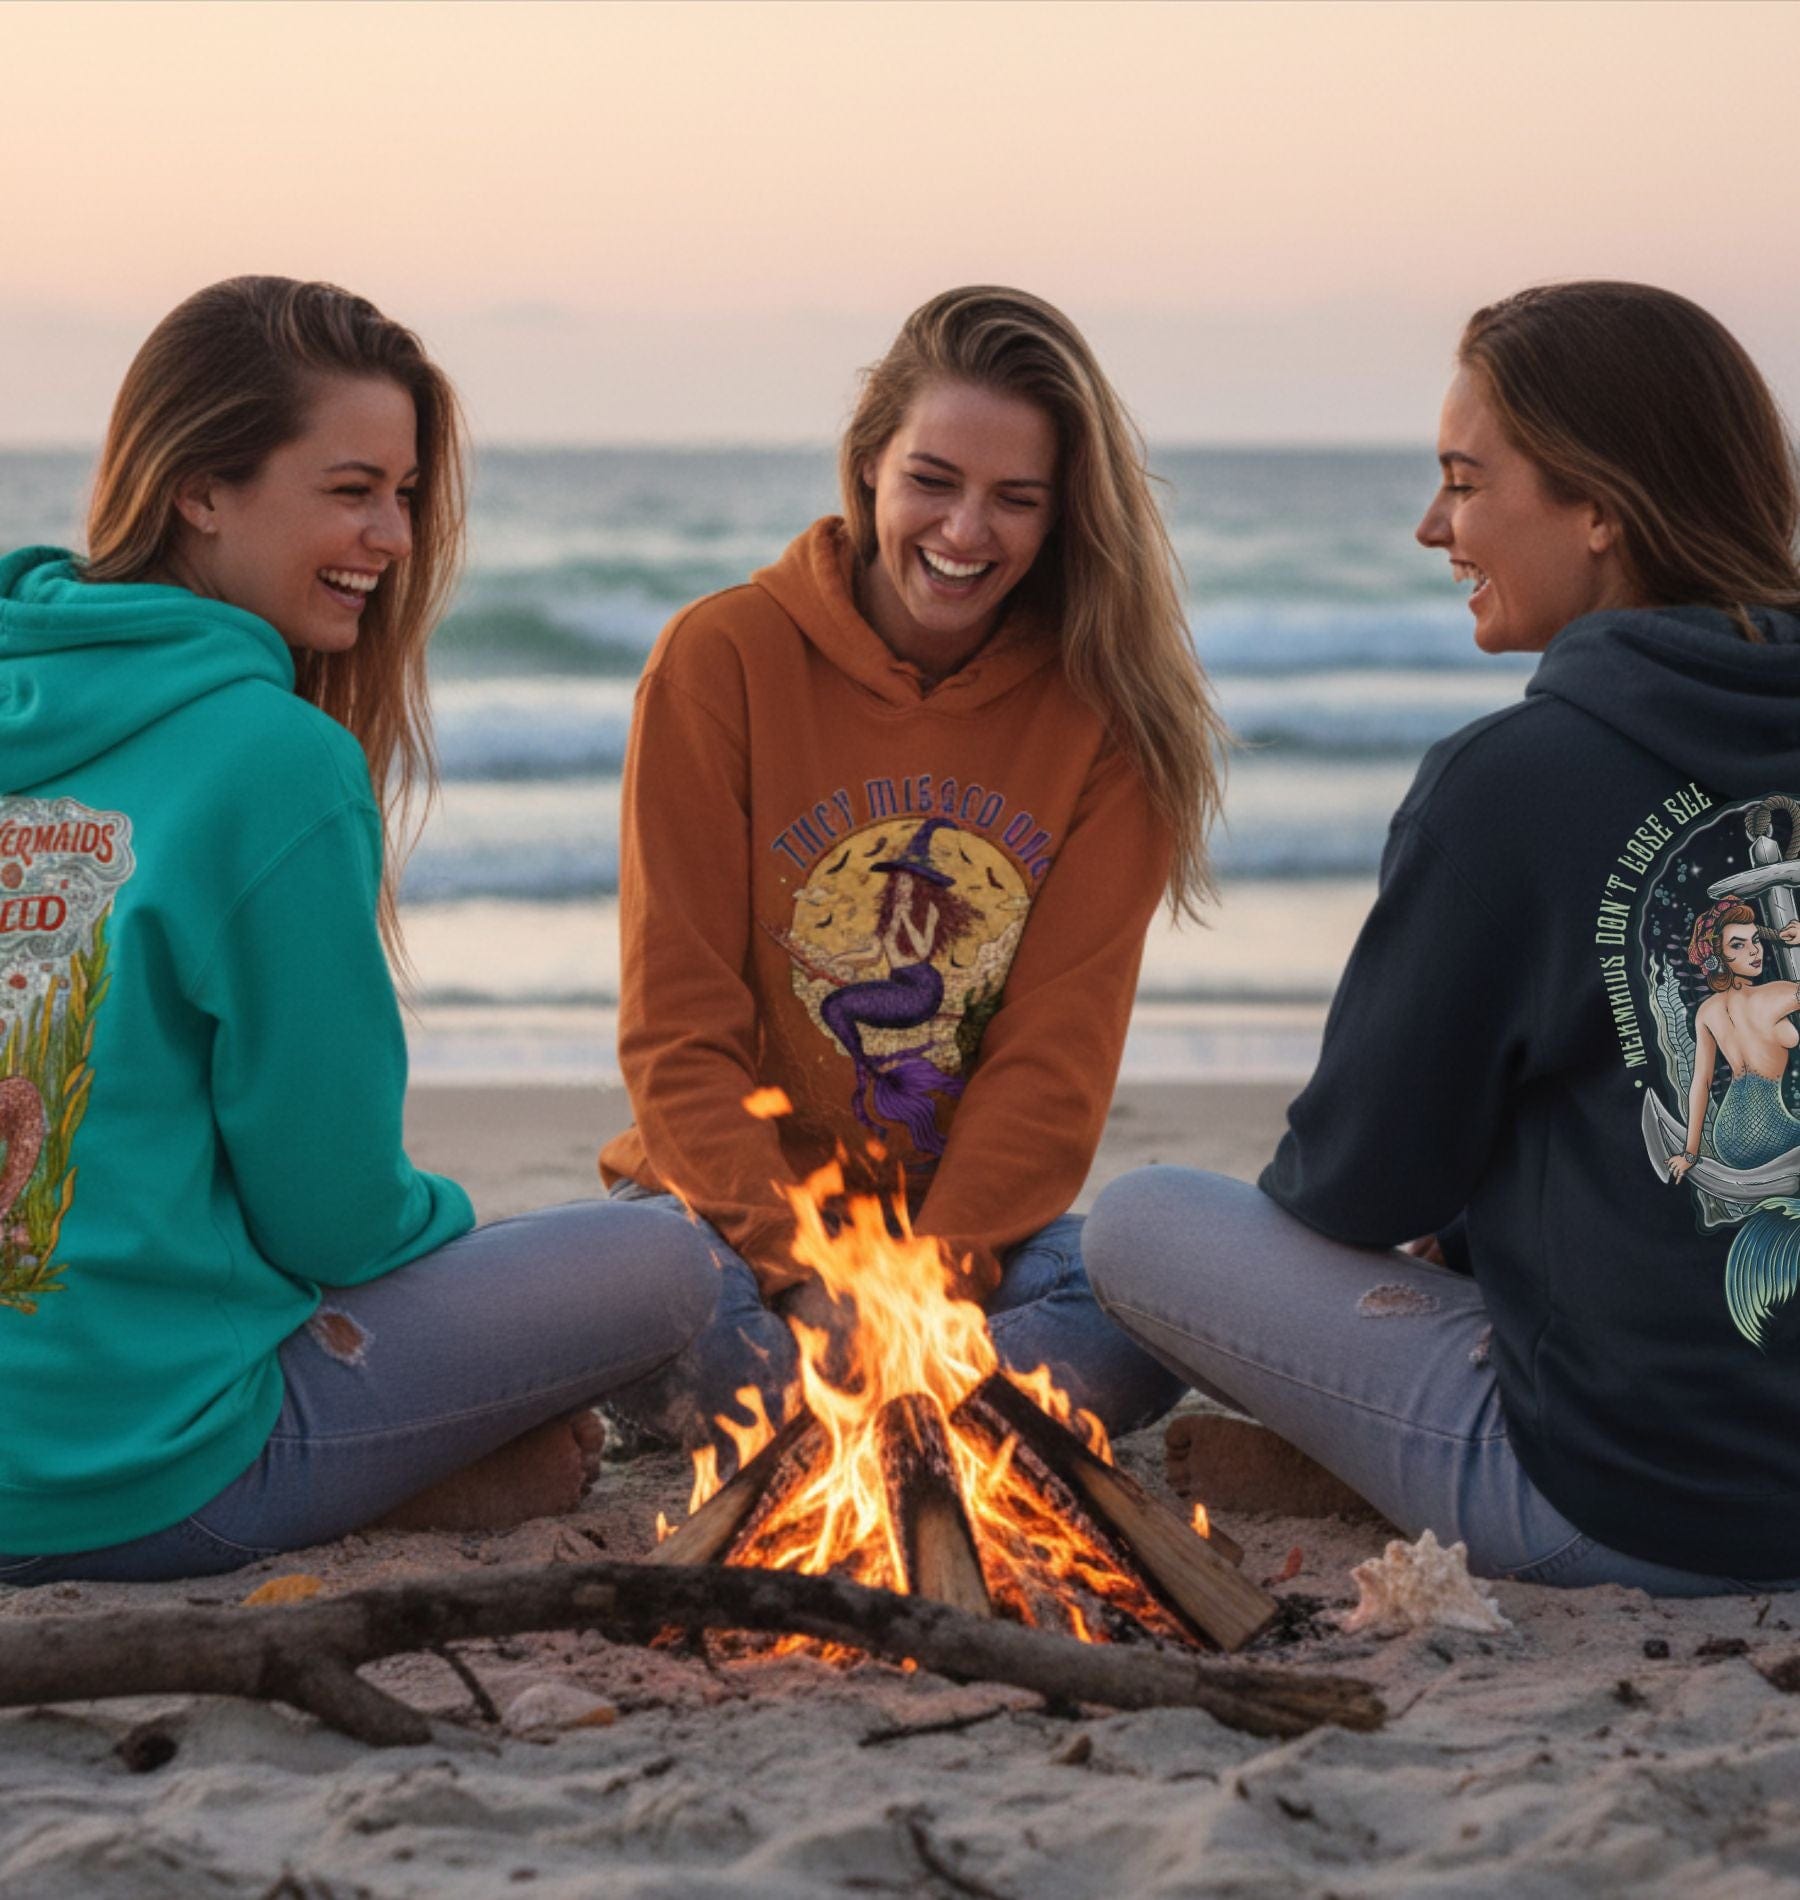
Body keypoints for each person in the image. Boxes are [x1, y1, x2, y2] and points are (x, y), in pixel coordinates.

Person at [1085, 281, 1800, 1594]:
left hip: (1641, 1508)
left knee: (1137, 1225)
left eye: (1465, 483)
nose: (1432, 526)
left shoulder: (1516, 783)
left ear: (1599, 507)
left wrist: (1452, 1207)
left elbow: (1359, 1185)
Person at [0, 277, 717, 1586]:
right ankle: (407, 1482)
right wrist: (451, 1223)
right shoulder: (274, 761)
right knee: (664, 1259)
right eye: (350, 490)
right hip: (139, 1480)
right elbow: (335, 1223)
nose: (391, 536)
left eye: (405, 493)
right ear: (199, 489)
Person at [600, 285, 1227, 1464]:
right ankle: (950, 1429)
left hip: (970, 1258)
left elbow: (1049, 1066)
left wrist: (921, 1292)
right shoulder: (720, 660)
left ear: (1062, 516)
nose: (965, 530)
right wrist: (805, 1275)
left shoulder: (1109, 719)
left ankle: (850, 1431)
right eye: (933, 480)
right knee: (639, 1289)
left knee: (1153, 1300)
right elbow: (680, 1030)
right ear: (868, 466)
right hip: (731, 1243)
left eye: (1016, 499)